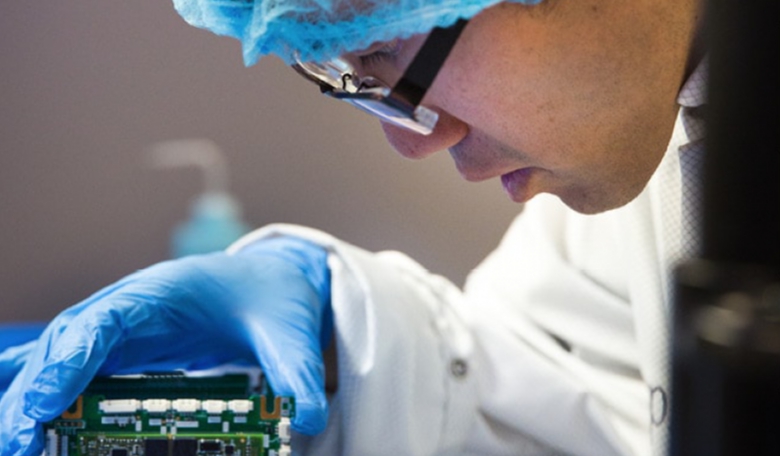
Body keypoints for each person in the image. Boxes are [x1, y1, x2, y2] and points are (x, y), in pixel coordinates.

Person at [0, 0, 706, 454]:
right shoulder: (667, 142)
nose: (414, 141)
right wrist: (338, 334)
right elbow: (565, 397)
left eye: (384, 56)